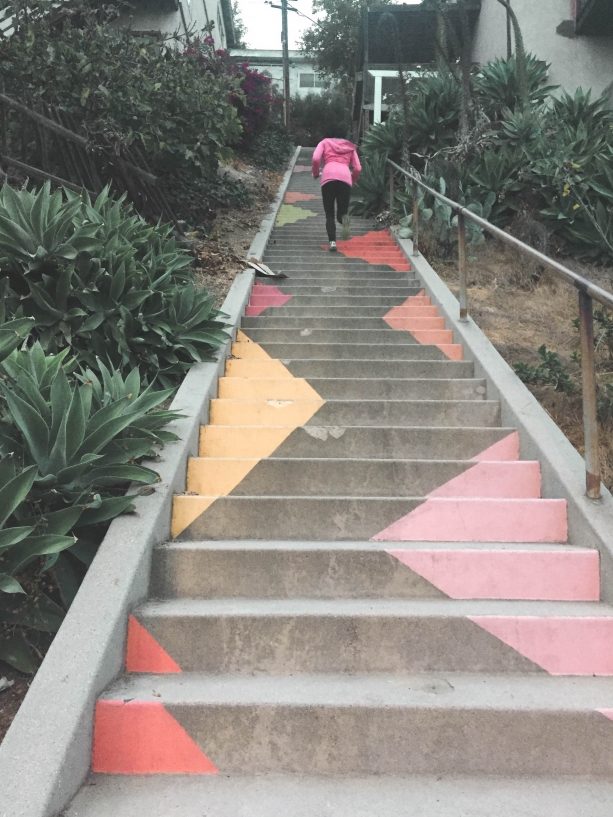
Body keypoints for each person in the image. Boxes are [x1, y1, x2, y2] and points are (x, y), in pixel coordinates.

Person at [311, 126, 361, 252]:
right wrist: (352, 180)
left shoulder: (324, 143)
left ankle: (332, 242)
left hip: (328, 178)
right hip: (345, 178)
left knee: (329, 214)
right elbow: (358, 168)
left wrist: (316, 173)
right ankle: (345, 221)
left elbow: (316, 159)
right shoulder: (350, 147)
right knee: (342, 213)